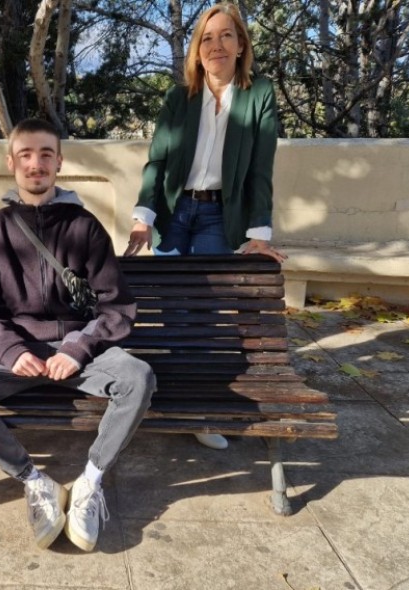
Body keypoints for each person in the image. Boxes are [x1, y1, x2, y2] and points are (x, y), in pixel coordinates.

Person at [0, 119, 156, 553]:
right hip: (19, 354)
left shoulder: (84, 227)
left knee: (138, 377)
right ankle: (35, 481)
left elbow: (117, 306)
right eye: (26, 155)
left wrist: (77, 349)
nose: (35, 164)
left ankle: (90, 483)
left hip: (79, 351)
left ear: (59, 161)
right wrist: (11, 349)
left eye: (44, 155)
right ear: (11, 163)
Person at [124, 2, 285, 451]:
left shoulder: (260, 94)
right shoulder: (180, 98)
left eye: (226, 36)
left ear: (241, 45)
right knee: (174, 312)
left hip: (218, 215)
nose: (217, 45)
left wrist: (259, 234)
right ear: (197, 50)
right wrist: (143, 220)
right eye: (207, 38)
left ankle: (204, 407)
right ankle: (179, 400)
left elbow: (260, 169)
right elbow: (156, 162)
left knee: (208, 312)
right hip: (176, 216)